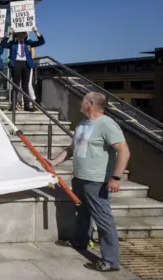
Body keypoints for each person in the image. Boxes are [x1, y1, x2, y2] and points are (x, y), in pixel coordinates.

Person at [51, 92, 130, 273]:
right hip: (80, 177)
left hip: (97, 180)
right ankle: (80, 242)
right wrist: (53, 162)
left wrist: (116, 178)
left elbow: (124, 151)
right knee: (83, 213)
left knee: (103, 220)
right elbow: (72, 149)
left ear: (91, 104)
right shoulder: (82, 124)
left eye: (83, 100)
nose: (80, 102)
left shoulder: (107, 125)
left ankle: (110, 260)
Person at [2, 26, 44, 111]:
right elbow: (3, 44)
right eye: (20, 33)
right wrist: (8, 34)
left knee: (26, 86)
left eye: (24, 33)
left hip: (26, 64)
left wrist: (36, 32)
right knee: (15, 85)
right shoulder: (13, 43)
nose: (22, 34)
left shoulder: (29, 43)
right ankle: (13, 105)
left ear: (25, 35)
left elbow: (41, 42)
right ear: (17, 34)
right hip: (16, 63)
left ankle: (27, 106)